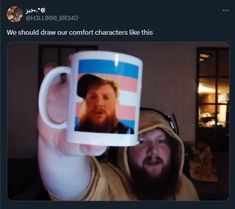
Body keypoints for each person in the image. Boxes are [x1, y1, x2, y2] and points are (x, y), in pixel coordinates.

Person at [38, 77, 198, 201]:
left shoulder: (185, 186)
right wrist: (59, 154)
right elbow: (75, 189)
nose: (153, 150)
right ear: (124, 151)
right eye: (141, 141)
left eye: (161, 141)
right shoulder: (111, 184)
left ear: (174, 149)